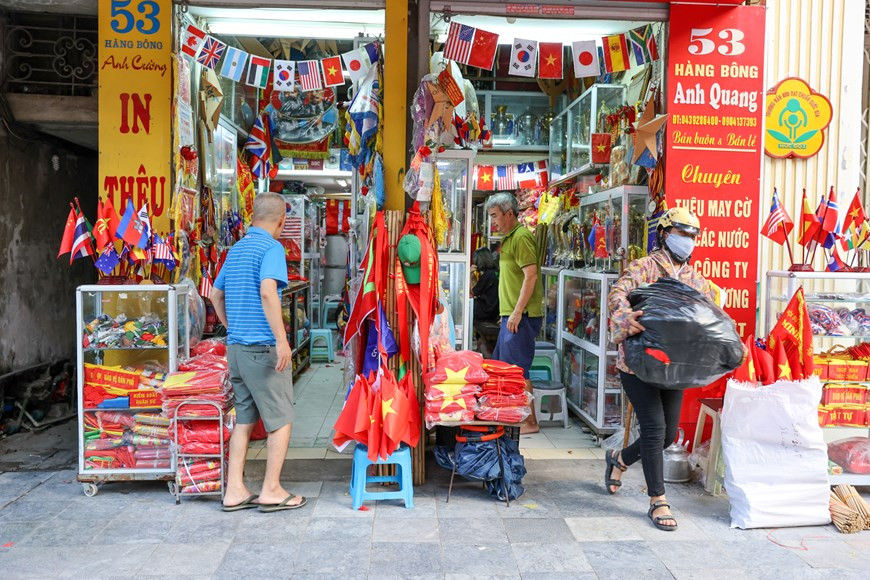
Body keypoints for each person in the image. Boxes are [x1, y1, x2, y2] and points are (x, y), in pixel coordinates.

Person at [605, 206, 718, 531]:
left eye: (693, 236)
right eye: (682, 233)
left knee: (668, 434)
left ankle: (620, 459)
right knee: (654, 428)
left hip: (674, 366)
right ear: (665, 234)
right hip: (638, 364)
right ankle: (658, 500)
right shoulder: (644, 267)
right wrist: (625, 318)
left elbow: (711, 310)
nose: (688, 241)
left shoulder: (696, 279)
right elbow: (617, 294)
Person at [210, 192, 307, 513]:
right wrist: (282, 340)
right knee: (281, 418)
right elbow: (268, 291)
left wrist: (232, 325)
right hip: (261, 349)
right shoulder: (271, 248)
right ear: (281, 221)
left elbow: (214, 294)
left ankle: (234, 489)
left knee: (245, 418)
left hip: (236, 349)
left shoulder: (236, 250)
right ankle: (271, 489)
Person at [485, 193, 543, 434]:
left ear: (509, 213)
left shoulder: (521, 238)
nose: (493, 222)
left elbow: (531, 276)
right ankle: (516, 414)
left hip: (523, 315)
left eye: (495, 216)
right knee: (507, 367)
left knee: (518, 369)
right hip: (510, 314)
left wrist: (518, 312)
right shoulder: (509, 238)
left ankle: (530, 421)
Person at [471, 247, 500, 356]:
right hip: (495, 309)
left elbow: (474, 291)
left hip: (487, 310)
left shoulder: (488, 275)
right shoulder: (495, 272)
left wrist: (471, 274)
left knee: (469, 307)